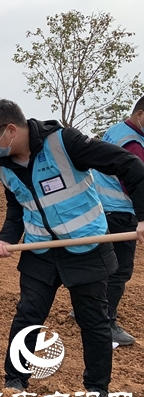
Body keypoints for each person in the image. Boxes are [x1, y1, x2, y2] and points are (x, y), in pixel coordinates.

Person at [0, 99, 144, 397]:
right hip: (40, 252)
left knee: (94, 323)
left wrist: (143, 214)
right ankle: (15, 381)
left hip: (87, 247)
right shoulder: (2, 165)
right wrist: (5, 239)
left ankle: (97, 391)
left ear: (10, 130)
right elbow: (17, 207)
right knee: (27, 317)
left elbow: (129, 165)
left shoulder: (66, 143)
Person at [88, 96, 144, 346]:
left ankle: (88, 309)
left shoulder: (116, 131)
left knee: (99, 263)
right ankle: (106, 322)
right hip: (120, 212)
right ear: (140, 115)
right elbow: (135, 182)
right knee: (119, 270)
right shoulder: (133, 144)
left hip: (102, 208)